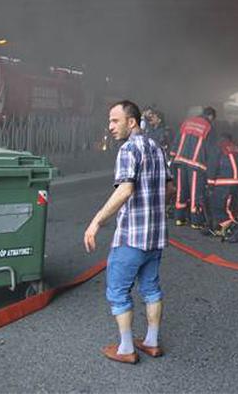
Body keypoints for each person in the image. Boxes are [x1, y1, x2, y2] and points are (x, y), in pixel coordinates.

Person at [83, 100, 167, 364]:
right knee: (151, 288)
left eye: (115, 120)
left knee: (118, 292)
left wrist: (97, 220)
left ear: (132, 122)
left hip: (131, 236)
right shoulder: (156, 147)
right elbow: (169, 187)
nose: (110, 127)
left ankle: (126, 348)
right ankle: (151, 342)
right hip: (155, 237)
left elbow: (125, 190)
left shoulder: (128, 149)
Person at [170, 106, 219, 230]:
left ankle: (179, 218)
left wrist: (172, 157)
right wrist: (211, 172)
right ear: (211, 117)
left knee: (181, 190)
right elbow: (211, 150)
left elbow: (177, 140)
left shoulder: (187, 122)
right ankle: (195, 221)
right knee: (195, 193)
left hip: (180, 161)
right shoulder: (209, 127)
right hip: (197, 165)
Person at [206, 132, 238, 240]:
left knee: (218, 207)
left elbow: (212, 166)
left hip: (225, 181)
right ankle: (221, 228)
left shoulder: (219, 147)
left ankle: (235, 228)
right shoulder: (237, 148)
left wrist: (210, 184)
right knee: (228, 206)